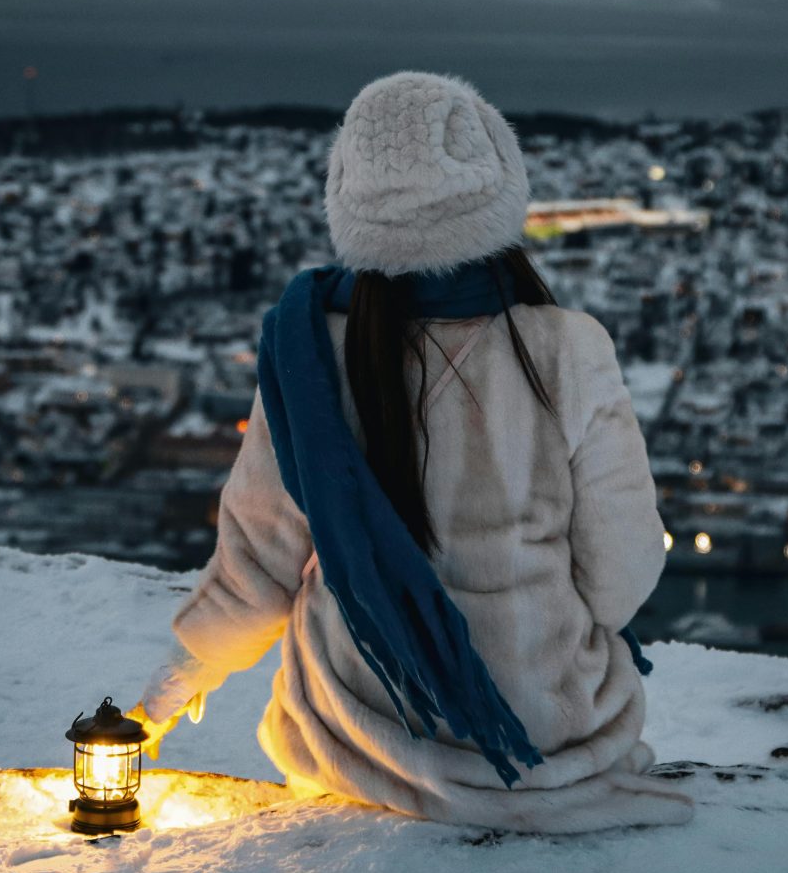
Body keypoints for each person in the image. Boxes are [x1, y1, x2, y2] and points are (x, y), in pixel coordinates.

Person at [136, 71, 693, 834]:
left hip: (362, 747)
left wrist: (162, 696)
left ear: (348, 197)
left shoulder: (309, 355)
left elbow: (258, 564)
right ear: (500, 188)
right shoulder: (568, 348)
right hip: (551, 739)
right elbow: (619, 576)